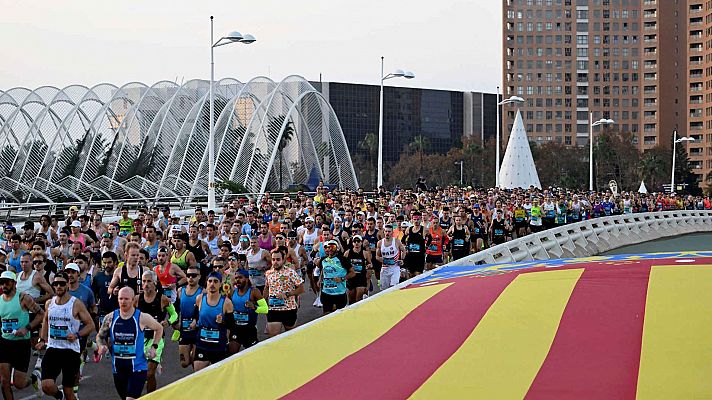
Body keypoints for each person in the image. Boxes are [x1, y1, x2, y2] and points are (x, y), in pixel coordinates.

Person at [96, 287, 163, 400]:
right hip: (118, 368)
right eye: (121, 298)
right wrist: (101, 346)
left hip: (137, 368)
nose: (123, 301)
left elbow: (159, 328)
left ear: (132, 300)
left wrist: (154, 347)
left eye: (126, 299)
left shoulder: (142, 317)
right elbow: (99, 336)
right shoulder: (111, 318)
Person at [37, 271, 95, 400]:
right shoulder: (49, 303)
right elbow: (45, 320)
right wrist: (42, 339)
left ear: (67, 284)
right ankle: (59, 396)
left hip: (70, 351)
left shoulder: (76, 304)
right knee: (46, 386)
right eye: (56, 284)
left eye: (62, 284)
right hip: (53, 348)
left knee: (69, 391)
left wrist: (77, 335)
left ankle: (65, 395)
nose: (58, 286)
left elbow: (91, 325)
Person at [0, 270, 44, 399]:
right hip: (4, 343)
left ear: (14, 283)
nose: (3, 286)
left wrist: (27, 328)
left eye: (6, 283)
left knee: (19, 384)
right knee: (4, 381)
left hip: (21, 344)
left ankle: (34, 378)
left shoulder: (23, 298)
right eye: (1, 283)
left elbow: (41, 314)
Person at [135, 270, 177, 394]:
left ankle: (151, 396)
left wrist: (168, 322)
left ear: (155, 283)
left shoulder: (162, 299)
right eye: (143, 281)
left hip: (156, 339)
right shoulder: (137, 299)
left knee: (149, 373)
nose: (146, 284)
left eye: (149, 281)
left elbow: (174, 314)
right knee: (139, 372)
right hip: (141, 339)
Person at [190, 272, 234, 371]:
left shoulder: (226, 302)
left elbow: (232, 325)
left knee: (218, 379)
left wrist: (223, 321)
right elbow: (196, 314)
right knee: (198, 375)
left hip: (218, 346)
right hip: (202, 344)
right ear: (206, 283)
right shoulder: (200, 298)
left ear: (220, 284)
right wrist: (194, 321)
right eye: (210, 281)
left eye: (215, 281)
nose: (212, 284)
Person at [264, 248, 304, 337]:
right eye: (273, 259)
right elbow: (267, 287)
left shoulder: (290, 272)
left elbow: (301, 289)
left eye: (278, 259)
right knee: (273, 338)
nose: (275, 262)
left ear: (283, 260)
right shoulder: (268, 273)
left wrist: (287, 294)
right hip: (273, 309)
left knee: (290, 337)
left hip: (288, 309)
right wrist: (263, 301)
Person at [227, 269, 267, 355]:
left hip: (249, 329)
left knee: (253, 355)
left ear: (247, 278)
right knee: (231, 352)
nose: (237, 280)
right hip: (236, 329)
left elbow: (265, 308)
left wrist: (254, 307)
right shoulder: (232, 292)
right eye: (236, 278)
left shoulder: (254, 292)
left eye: (240, 277)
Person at [317, 240, 354, 315]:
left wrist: (342, 278)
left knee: (339, 315)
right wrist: (319, 280)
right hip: (326, 292)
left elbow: (352, 273)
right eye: (328, 247)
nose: (330, 249)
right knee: (326, 315)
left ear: (337, 248)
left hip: (339, 293)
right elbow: (323, 271)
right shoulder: (323, 260)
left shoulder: (342, 259)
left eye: (332, 247)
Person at [177, 267, 202, 369]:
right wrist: (174, 321)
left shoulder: (203, 292)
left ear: (199, 277)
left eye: (194, 275)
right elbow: (174, 308)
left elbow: (205, 310)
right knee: (184, 363)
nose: (191, 278)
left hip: (197, 330)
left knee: (195, 364)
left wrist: (197, 321)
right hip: (184, 330)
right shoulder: (180, 291)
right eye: (188, 275)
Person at [375, 225, 406, 290]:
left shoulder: (397, 241)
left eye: (389, 231)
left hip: (395, 268)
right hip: (384, 269)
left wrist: (402, 259)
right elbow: (377, 256)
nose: (387, 233)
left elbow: (404, 250)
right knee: (384, 290)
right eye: (386, 231)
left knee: (393, 288)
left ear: (392, 232)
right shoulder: (380, 243)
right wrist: (381, 259)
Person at [345, 235, 371, 304]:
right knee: (351, 301)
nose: (356, 243)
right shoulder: (348, 253)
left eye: (358, 241)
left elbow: (370, 264)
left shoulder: (365, 253)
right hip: (351, 278)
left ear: (361, 243)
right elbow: (343, 263)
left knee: (358, 300)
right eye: (354, 241)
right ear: (352, 243)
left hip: (361, 278)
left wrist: (369, 266)